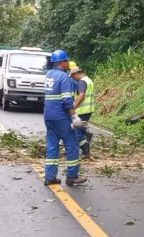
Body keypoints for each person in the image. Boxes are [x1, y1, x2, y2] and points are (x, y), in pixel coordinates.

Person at [43, 50, 87, 186]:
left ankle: (50, 177)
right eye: (67, 60)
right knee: (72, 145)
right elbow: (67, 100)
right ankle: (72, 176)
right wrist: (74, 116)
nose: (68, 63)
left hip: (48, 116)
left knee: (52, 146)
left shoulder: (49, 75)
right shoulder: (63, 77)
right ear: (62, 62)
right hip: (61, 117)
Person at [70, 66, 95, 158]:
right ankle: (87, 134)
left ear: (76, 74)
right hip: (88, 109)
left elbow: (81, 96)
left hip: (82, 110)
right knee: (79, 127)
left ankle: (85, 150)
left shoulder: (82, 82)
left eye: (73, 77)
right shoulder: (89, 80)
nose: (73, 79)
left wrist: (73, 107)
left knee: (77, 132)